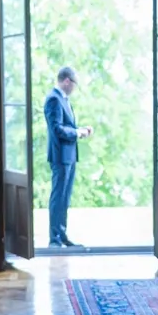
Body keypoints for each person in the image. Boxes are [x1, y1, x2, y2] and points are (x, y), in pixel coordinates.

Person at [44, 66, 92, 247]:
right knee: (58, 197)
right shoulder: (54, 99)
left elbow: (67, 125)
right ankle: (54, 238)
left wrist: (80, 130)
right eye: (74, 83)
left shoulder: (64, 100)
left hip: (69, 156)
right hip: (60, 156)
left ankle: (62, 234)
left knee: (65, 198)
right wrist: (77, 133)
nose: (74, 88)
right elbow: (56, 129)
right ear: (66, 81)